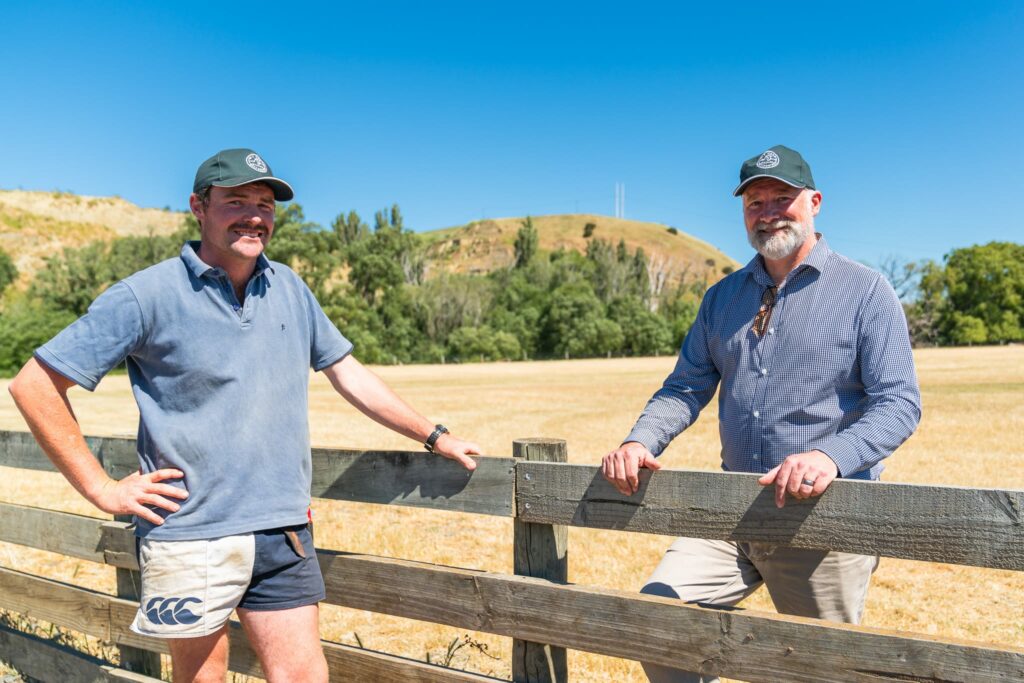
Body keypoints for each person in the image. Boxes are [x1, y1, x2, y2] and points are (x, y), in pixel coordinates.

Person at [8, 148, 481, 683]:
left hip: (283, 530)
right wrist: (102, 489)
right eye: (237, 201)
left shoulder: (291, 289)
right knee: (202, 678)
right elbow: (35, 384)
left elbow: (349, 373)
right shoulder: (145, 295)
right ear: (198, 207)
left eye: (265, 204)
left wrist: (433, 434)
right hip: (189, 532)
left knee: (303, 675)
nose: (255, 215)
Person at [601, 145, 921, 683]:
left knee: (821, 671)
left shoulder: (866, 291)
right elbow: (684, 387)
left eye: (782, 198)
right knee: (658, 627)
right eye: (754, 202)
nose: (768, 211)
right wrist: (640, 442)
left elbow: (898, 404)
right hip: (731, 509)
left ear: (815, 202)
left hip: (822, 519)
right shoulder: (722, 298)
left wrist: (828, 456)